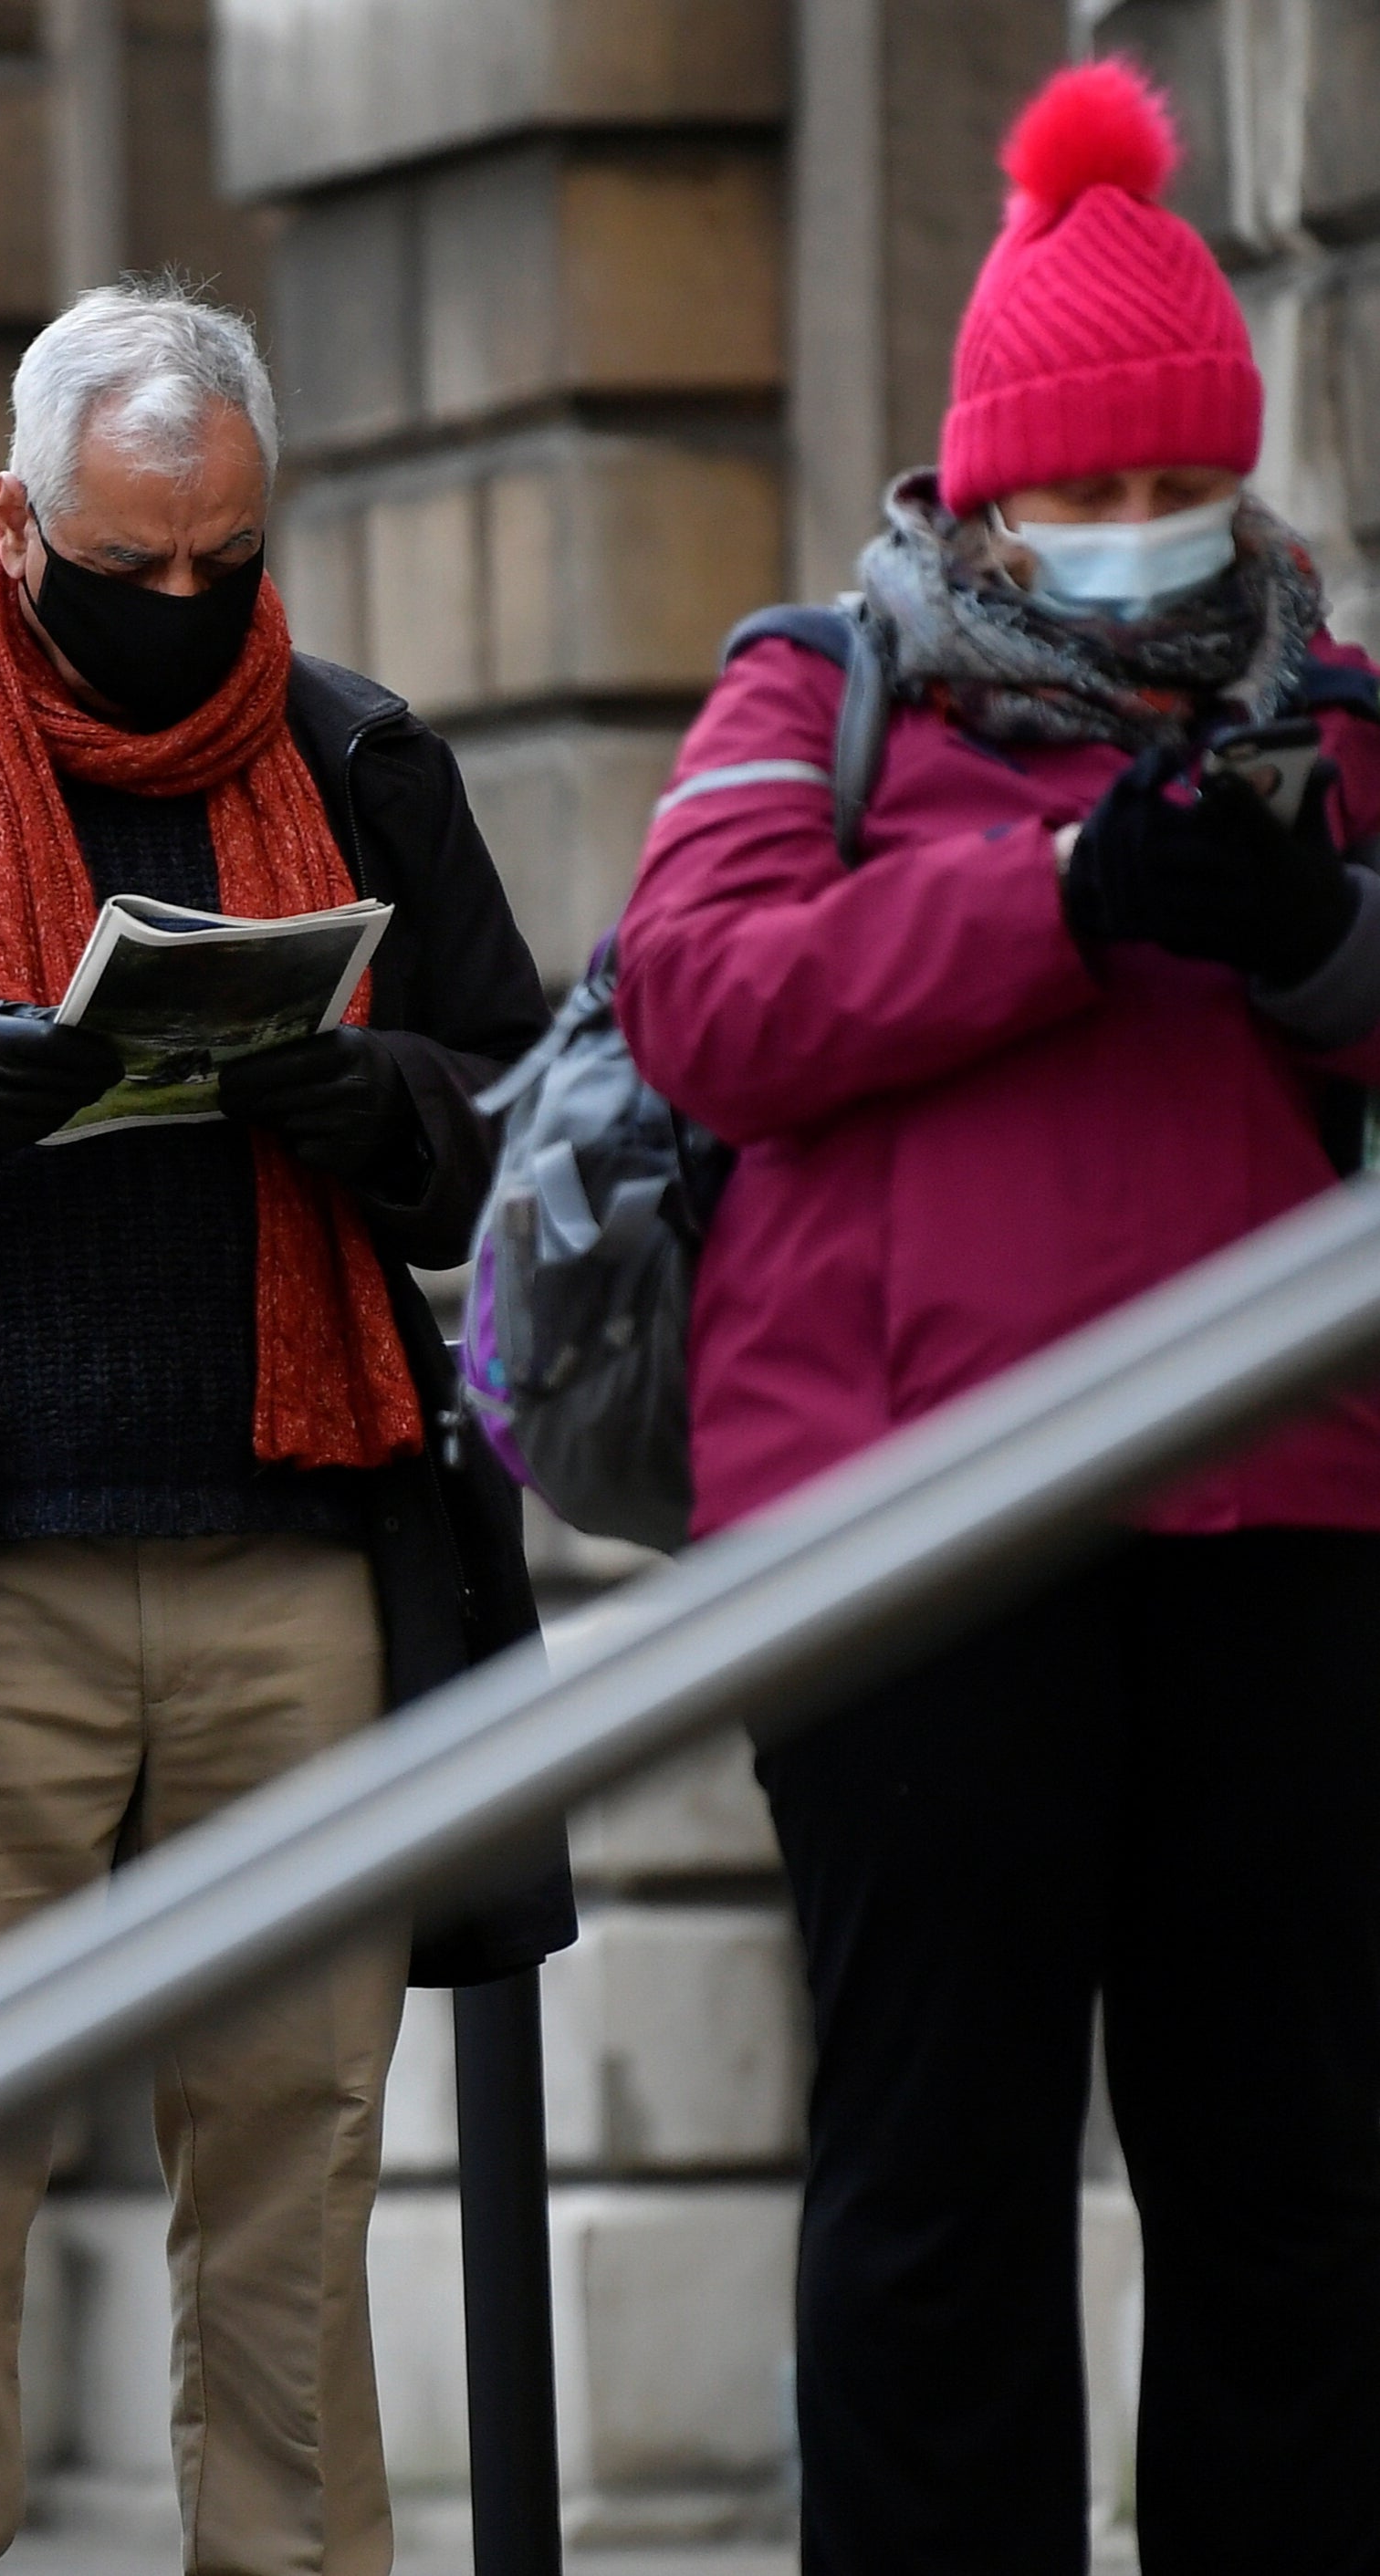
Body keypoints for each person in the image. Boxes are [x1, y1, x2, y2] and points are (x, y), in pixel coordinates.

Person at [616, 61, 1380, 2575]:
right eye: (1076, 492)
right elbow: (702, 995)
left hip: (1270, 1517)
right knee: (934, 2178)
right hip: (905, 1528)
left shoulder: (1330, 723)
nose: (1125, 537)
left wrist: (1308, 941)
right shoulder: (810, 697)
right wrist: (1066, 899)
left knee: (1279, 2185)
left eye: (1167, 487)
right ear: (974, 489)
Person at [0, 283, 569, 2576]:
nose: (180, 608)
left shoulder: (359, 750)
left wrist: (367, 1095)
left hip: (291, 1551)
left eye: (223, 564)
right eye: (131, 566)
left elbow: (519, 1122)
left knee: (296, 2175)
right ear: (19, 527)